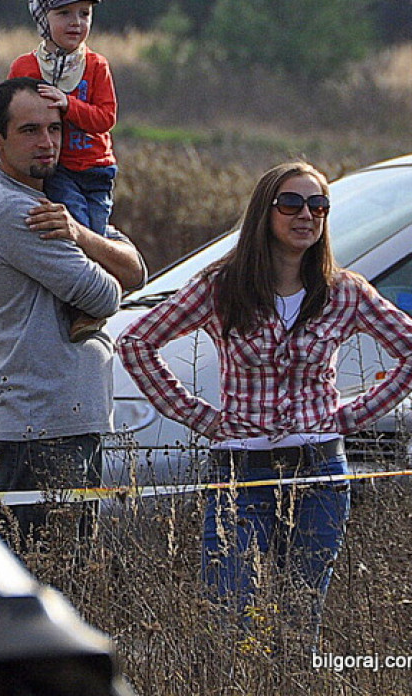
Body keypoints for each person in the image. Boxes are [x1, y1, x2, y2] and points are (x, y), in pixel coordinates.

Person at [116, 161, 412, 645]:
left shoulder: (344, 291)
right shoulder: (223, 286)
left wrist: (349, 417)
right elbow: (137, 343)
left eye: (318, 206)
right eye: (291, 204)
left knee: (300, 624)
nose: (306, 216)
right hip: (241, 470)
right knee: (231, 620)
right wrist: (202, 417)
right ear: (265, 213)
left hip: (319, 473)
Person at [0, 77, 145, 542]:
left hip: (74, 415)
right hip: (42, 424)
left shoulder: (60, 205)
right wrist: (93, 247)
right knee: (50, 573)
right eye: (29, 130)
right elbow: (105, 295)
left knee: (73, 573)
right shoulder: (15, 210)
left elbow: (135, 270)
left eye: (55, 128)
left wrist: (82, 235)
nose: (47, 143)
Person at [9, 0, 119, 342]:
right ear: (44, 18)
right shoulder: (26, 67)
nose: (76, 23)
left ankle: (92, 308)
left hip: (97, 169)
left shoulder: (96, 66)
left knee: (97, 233)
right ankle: (82, 307)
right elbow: (12, 114)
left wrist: (69, 105)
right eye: (64, 14)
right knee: (74, 231)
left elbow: (105, 118)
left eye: (84, 14)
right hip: (59, 169)